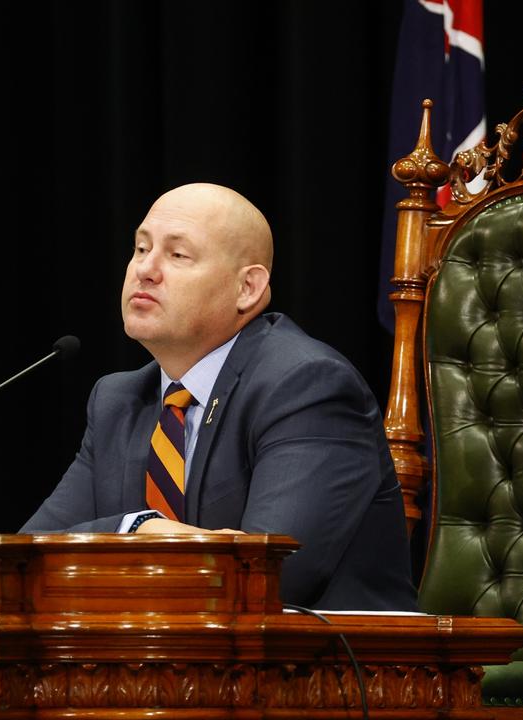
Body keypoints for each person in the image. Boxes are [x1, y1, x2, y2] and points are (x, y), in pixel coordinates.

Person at [21, 183, 415, 611]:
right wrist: (136, 529)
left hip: (340, 668)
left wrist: (112, 541)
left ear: (247, 288)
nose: (145, 270)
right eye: (140, 248)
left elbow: (265, 577)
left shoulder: (306, 385)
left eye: (177, 255)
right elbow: (23, 561)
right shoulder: (118, 400)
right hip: (161, 666)